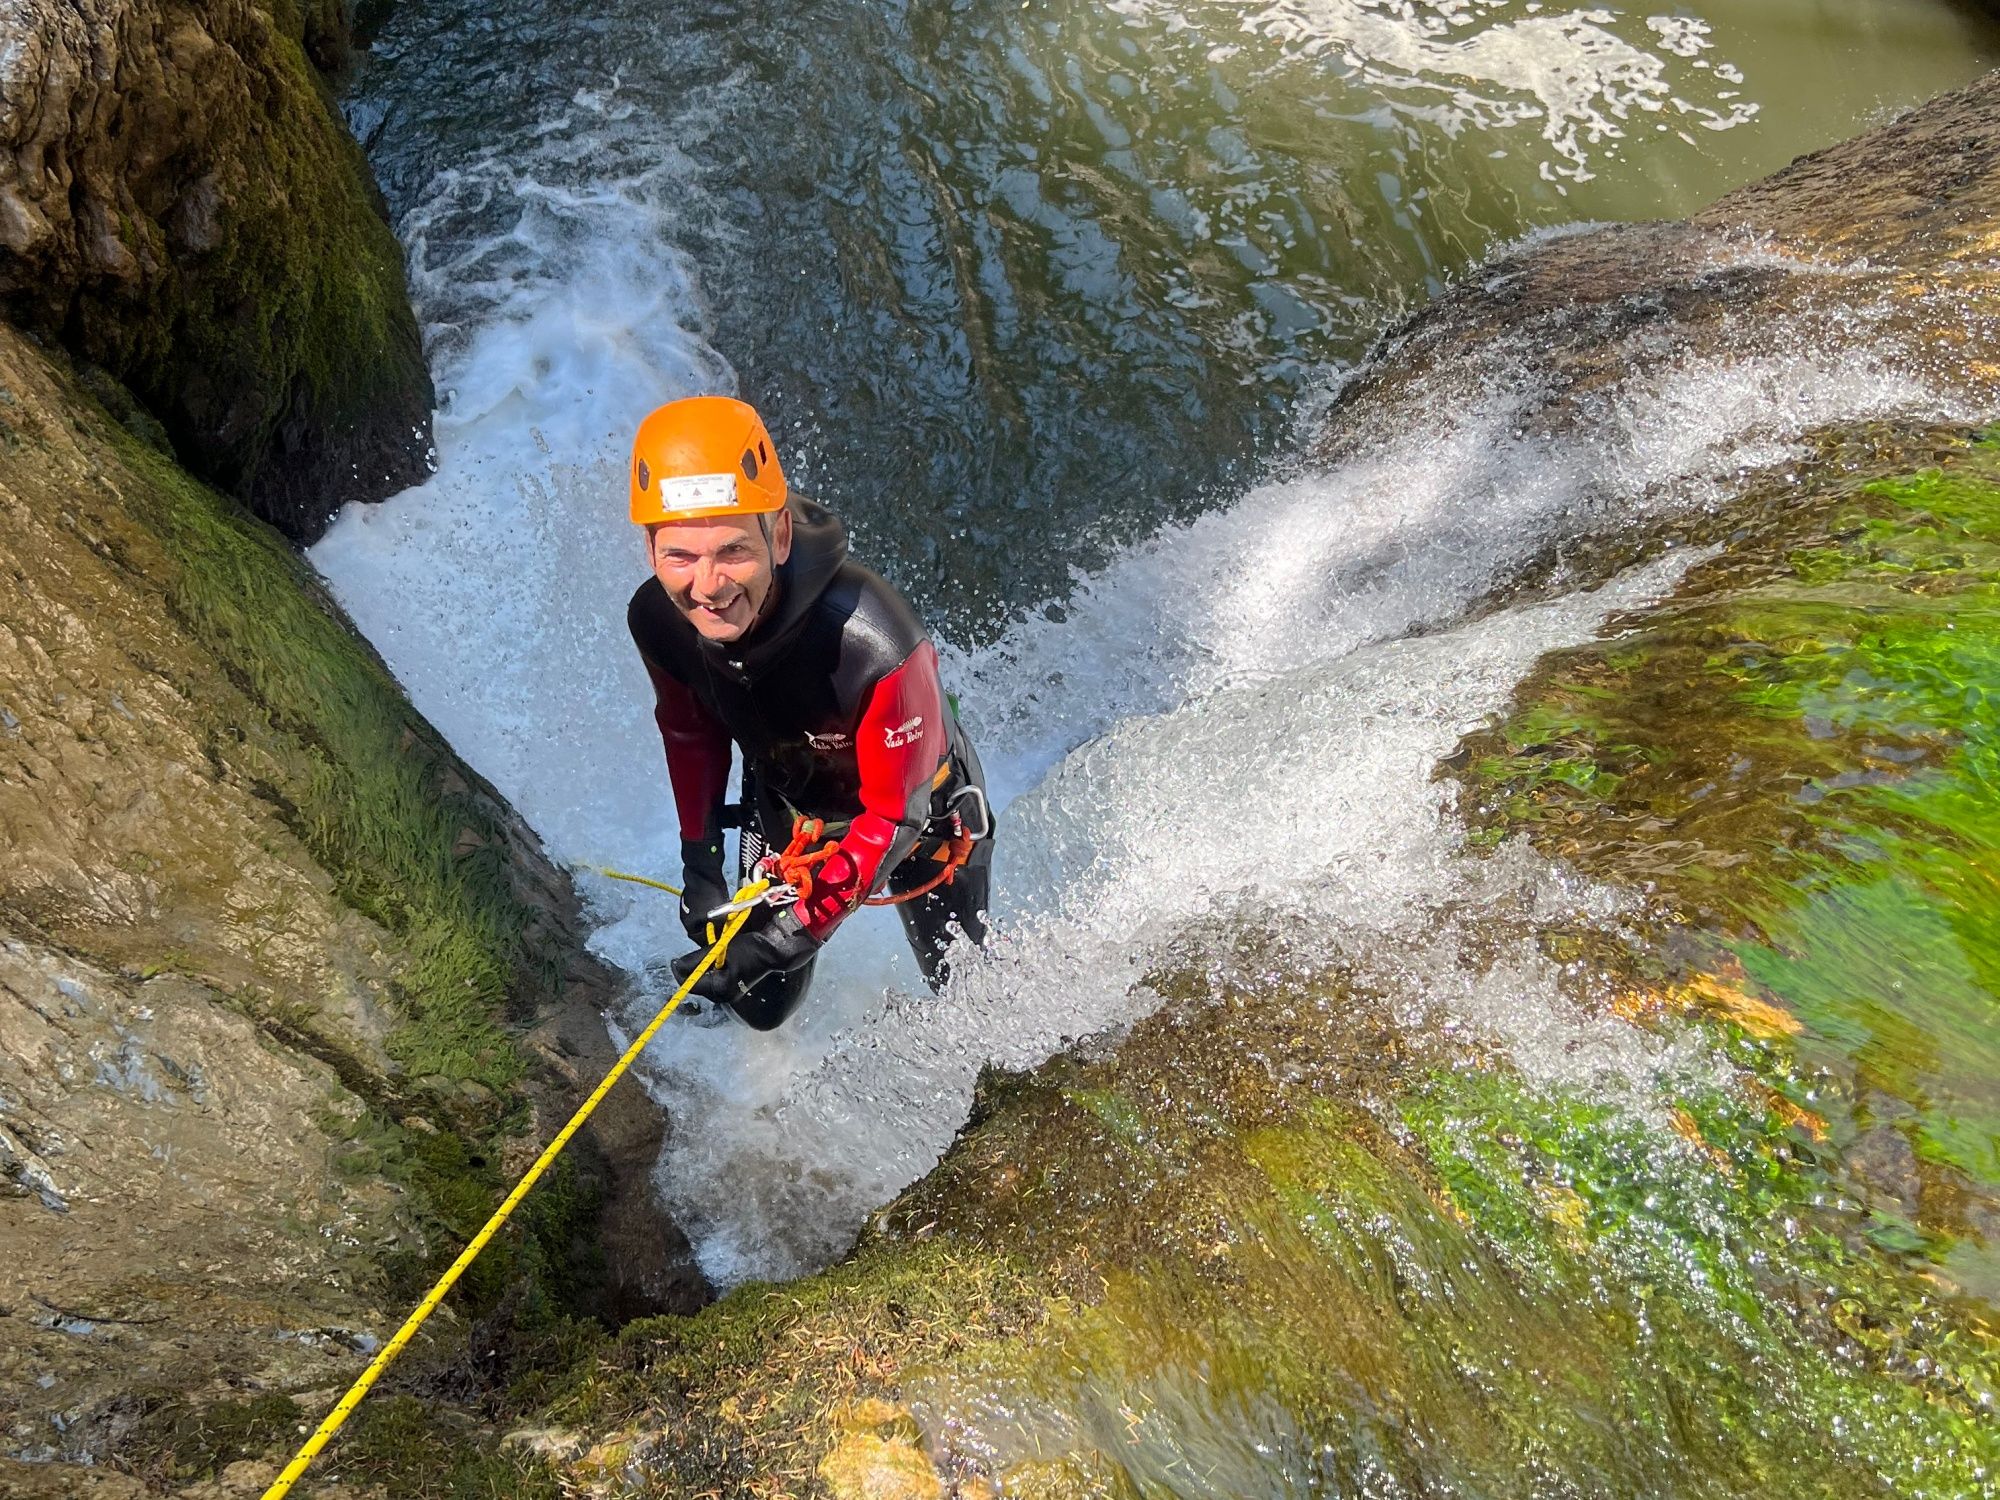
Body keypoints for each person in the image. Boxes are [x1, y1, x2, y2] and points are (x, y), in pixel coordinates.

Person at [625, 395, 994, 1028]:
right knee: (759, 1004)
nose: (708, 587)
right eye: (679, 556)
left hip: (922, 817)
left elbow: (891, 817)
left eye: (733, 551)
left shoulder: (875, 643)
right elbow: (692, 732)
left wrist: (782, 938)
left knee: (963, 990)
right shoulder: (658, 618)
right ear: (650, 550)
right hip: (790, 804)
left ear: (780, 536)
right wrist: (701, 861)